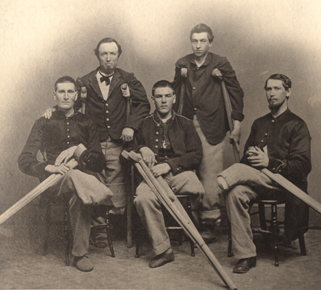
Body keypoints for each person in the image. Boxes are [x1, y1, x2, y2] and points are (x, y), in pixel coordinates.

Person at [44, 38, 150, 246]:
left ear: (118, 55)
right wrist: (52, 110)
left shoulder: (128, 78)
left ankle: (117, 226)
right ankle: (100, 230)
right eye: (104, 54)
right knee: (95, 180)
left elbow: (143, 104)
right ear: (97, 55)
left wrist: (131, 125)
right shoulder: (84, 81)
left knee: (116, 180)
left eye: (112, 54)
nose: (108, 58)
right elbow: (68, 100)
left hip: (119, 141)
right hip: (92, 141)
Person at [217, 74, 311, 273]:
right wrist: (252, 158)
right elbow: (245, 161)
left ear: (288, 92)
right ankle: (246, 255)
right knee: (235, 194)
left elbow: (302, 167)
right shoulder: (259, 123)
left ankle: (226, 177)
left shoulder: (297, 125)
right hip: (258, 183)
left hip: (285, 186)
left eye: (277, 88)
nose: (271, 94)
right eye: (268, 89)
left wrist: (270, 162)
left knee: (235, 177)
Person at [18, 76, 114, 272]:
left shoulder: (87, 122)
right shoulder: (44, 122)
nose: (66, 96)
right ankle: (104, 196)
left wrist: (78, 151)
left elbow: (99, 162)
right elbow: (24, 160)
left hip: (81, 185)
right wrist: (49, 167)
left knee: (78, 191)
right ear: (54, 95)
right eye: (61, 92)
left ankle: (79, 255)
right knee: (73, 176)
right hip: (54, 183)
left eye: (70, 92)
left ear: (76, 95)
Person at [173, 23, 244, 243]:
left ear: (210, 42)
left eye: (202, 41)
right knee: (187, 172)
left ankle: (211, 222)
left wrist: (237, 124)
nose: (198, 45)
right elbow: (173, 94)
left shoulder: (220, 63)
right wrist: (179, 78)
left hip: (211, 125)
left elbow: (236, 92)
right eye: (194, 41)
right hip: (184, 125)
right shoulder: (182, 63)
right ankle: (190, 221)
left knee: (210, 175)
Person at [130, 80, 205, 268]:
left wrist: (170, 165)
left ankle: (194, 224)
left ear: (174, 98)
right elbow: (128, 148)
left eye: (167, 96)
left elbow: (196, 154)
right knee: (142, 199)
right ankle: (164, 250)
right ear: (153, 99)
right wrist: (142, 148)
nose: (163, 100)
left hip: (179, 175)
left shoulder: (185, 123)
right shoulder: (143, 123)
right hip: (152, 177)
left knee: (197, 187)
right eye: (159, 96)